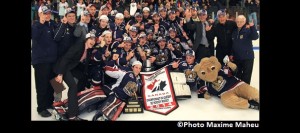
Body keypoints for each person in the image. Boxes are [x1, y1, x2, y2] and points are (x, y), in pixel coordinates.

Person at [53, 32, 96, 121]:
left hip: (70, 66)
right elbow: (66, 58)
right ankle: (71, 115)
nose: (93, 41)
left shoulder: (88, 49)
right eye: (91, 39)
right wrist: (60, 74)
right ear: (86, 40)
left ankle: (73, 101)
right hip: (61, 65)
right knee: (69, 86)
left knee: (82, 78)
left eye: (94, 39)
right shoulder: (79, 46)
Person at [32, 6, 58, 117]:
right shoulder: (36, 25)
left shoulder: (52, 24)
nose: (47, 15)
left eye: (48, 13)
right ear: (39, 14)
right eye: (45, 13)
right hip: (41, 61)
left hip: (53, 60)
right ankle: (41, 107)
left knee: (52, 84)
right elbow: (34, 36)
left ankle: (49, 103)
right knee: (42, 85)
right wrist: (41, 23)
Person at [231, 15, 258, 84]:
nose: (239, 23)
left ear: (245, 22)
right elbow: (232, 44)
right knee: (238, 76)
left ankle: (245, 92)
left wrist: (252, 26)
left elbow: (255, 37)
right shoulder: (234, 32)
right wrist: (231, 54)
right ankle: (239, 91)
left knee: (246, 77)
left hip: (247, 58)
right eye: (238, 21)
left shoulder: (248, 30)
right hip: (237, 58)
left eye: (241, 22)